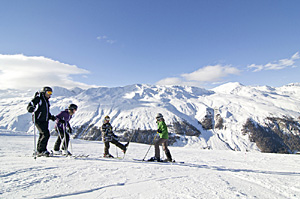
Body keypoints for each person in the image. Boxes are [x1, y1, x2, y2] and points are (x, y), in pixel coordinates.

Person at [27, 86, 56, 157]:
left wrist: (50, 117)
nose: (50, 94)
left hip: (45, 120)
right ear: (44, 92)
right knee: (45, 134)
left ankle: (39, 150)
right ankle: (41, 150)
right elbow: (30, 105)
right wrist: (30, 108)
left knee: (42, 134)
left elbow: (45, 111)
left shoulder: (46, 100)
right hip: (38, 120)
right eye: (48, 92)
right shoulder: (39, 98)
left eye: (51, 93)